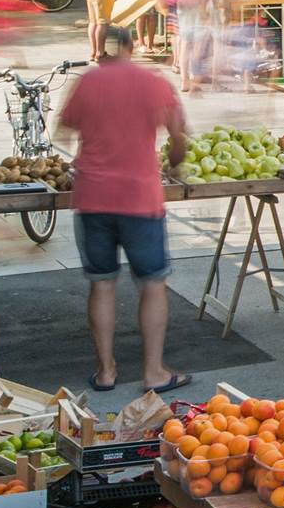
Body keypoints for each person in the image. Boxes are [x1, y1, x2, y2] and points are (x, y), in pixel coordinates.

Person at [55, 25, 193, 395]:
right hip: (139, 198)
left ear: (103, 48)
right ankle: (154, 373)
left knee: (101, 283)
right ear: (132, 47)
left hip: (92, 197)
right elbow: (179, 139)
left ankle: (106, 372)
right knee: (152, 283)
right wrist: (173, 163)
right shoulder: (154, 82)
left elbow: (62, 132)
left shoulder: (87, 82)